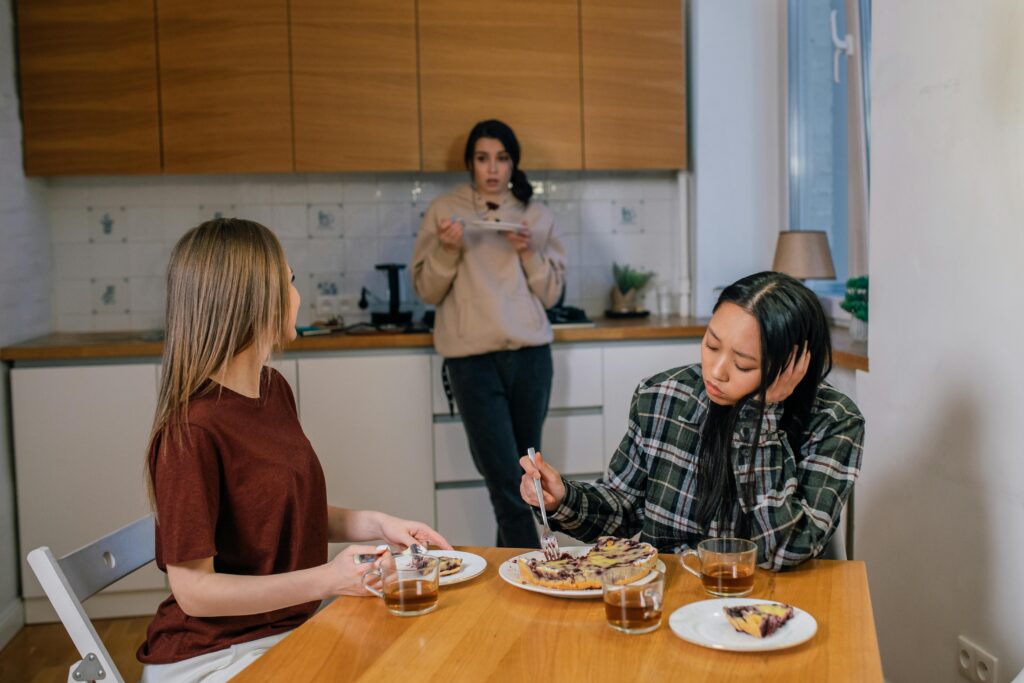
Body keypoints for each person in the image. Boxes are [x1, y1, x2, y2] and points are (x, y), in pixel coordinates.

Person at [138, 218, 451, 682]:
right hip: (214, 655)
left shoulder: (272, 389)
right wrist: (328, 579)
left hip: (287, 627)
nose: (298, 297)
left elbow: (278, 515)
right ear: (254, 299)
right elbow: (194, 592)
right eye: (290, 283)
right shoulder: (192, 430)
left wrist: (378, 524)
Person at [519, 271, 864, 570]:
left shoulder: (834, 422)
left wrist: (762, 417)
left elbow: (783, 552)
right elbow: (622, 510)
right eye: (711, 346)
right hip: (672, 603)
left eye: (743, 365)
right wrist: (562, 499)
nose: (716, 371)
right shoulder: (663, 395)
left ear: (793, 367)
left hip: (774, 609)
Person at [411, 119, 567, 548]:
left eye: (501, 158)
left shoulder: (536, 216)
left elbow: (552, 294)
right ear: (470, 164)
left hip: (531, 359)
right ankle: (535, 571)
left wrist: (530, 252)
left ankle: (518, 580)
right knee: (505, 480)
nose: (492, 168)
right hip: (471, 362)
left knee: (527, 482)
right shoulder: (445, 211)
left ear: (513, 163)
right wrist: (446, 249)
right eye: (482, 158)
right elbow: (426, 289)